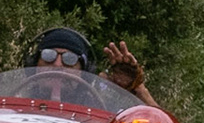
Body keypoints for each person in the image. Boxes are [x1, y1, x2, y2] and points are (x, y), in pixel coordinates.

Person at [23, 27, 158, 108]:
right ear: (34, 65)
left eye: (70, 59)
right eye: (48, 56)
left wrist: (138, 89)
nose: (58, 65)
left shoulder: (103, 115)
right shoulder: (15, 107)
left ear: (84, 72)